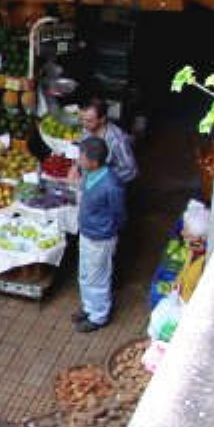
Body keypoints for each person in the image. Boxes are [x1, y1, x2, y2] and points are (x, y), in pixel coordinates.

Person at [73, 136, 126, 334]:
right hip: (87, 233)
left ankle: (98, 316)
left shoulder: (111, 185)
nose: (79, 159)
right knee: (85, 274)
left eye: (81, 156)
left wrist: (108, 231)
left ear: (93, 162)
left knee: (98, 278)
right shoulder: (90, 173)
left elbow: (119, 213)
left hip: (101, 238)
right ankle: (88, 307)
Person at [80, 98, 137, 186]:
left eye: (89, 121)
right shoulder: (87, 129)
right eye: (82, 119)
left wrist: (102, 179)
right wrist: (76, 166)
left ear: (102, 119)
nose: (84, 124)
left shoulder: (117, 140)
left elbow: (132, 171)